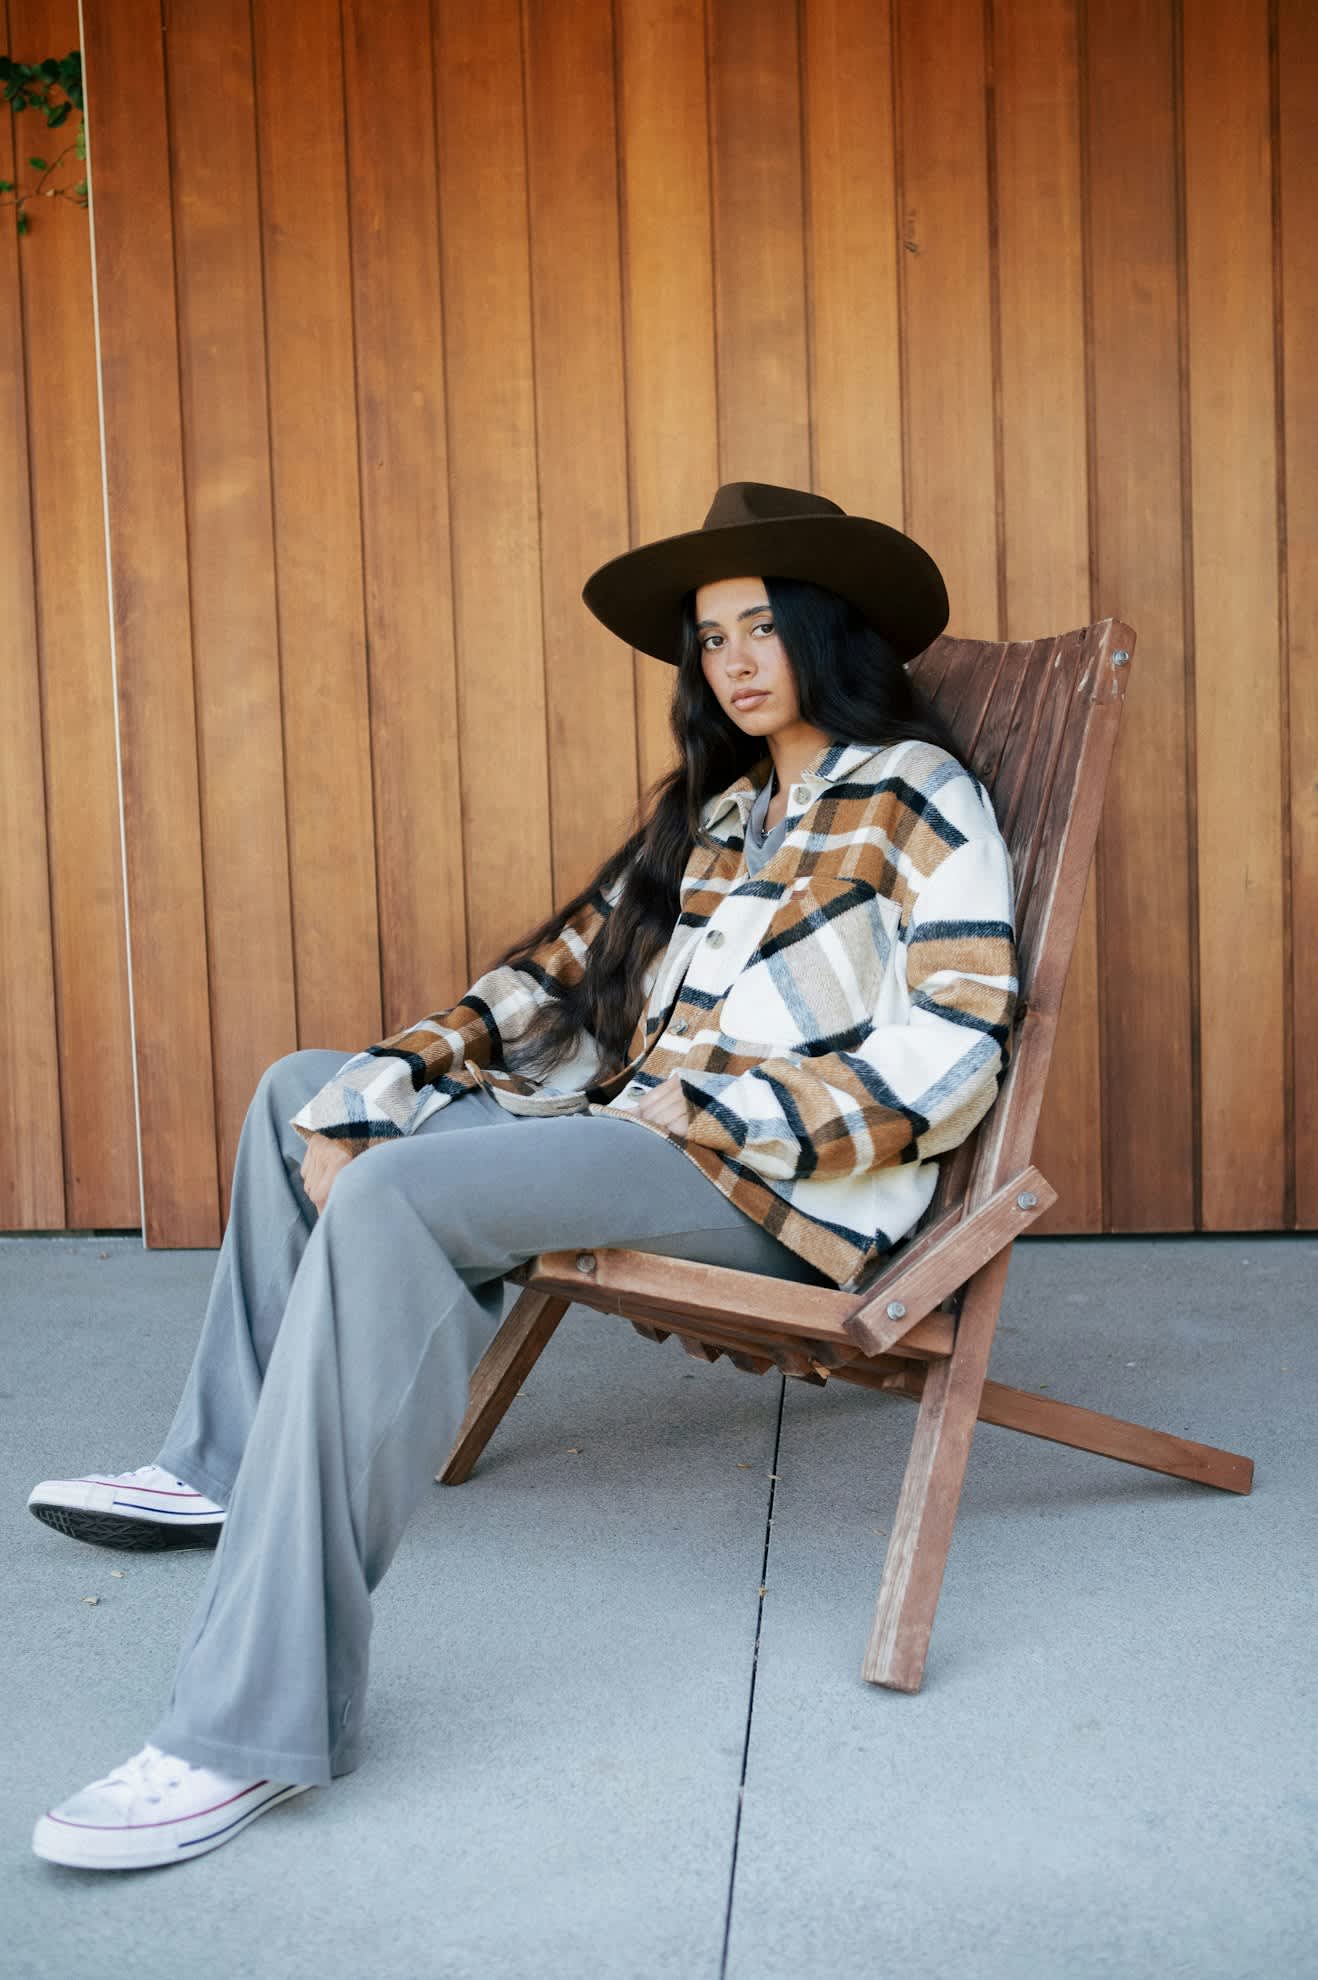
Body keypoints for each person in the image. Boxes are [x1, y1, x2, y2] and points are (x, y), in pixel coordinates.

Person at [28, 481, 1018, 1870]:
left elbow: (956, 1047)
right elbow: (548, 984)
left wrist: (717, 1107)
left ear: (823, 631)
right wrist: (380, 1087)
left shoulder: (915, 795)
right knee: (302, 1093)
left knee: (398, 1198)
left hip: (774, 1190)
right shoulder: (721, 813)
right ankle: (223, 1469)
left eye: (759, 627)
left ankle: (243, 1729)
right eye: (709, 638)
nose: (732, 662)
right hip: (632, 1138)